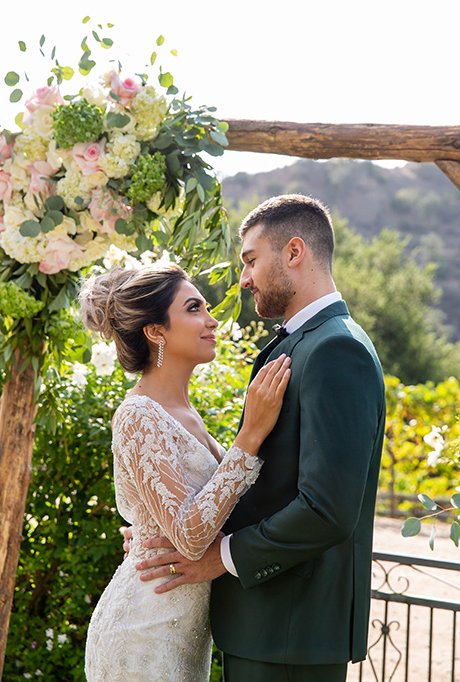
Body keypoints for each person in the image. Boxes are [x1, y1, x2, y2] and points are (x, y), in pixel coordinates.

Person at [135, 194, 387, 682]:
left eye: (250, 259)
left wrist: (221, 557)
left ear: (294, 252)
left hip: (292, 631)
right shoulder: (300, 343)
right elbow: (265, 484)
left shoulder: (336, 349)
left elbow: (328, 509)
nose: (243, 278)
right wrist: (159, 524)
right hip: (266, 626)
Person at [78, 262, 291, 682]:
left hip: (182, 631)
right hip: (144, 631)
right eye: (194, 309)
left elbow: (195, 516)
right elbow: (190, 537)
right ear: (155, 331)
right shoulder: (138, 414)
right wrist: (249, 437)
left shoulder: (185, 413)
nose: (212, 321)